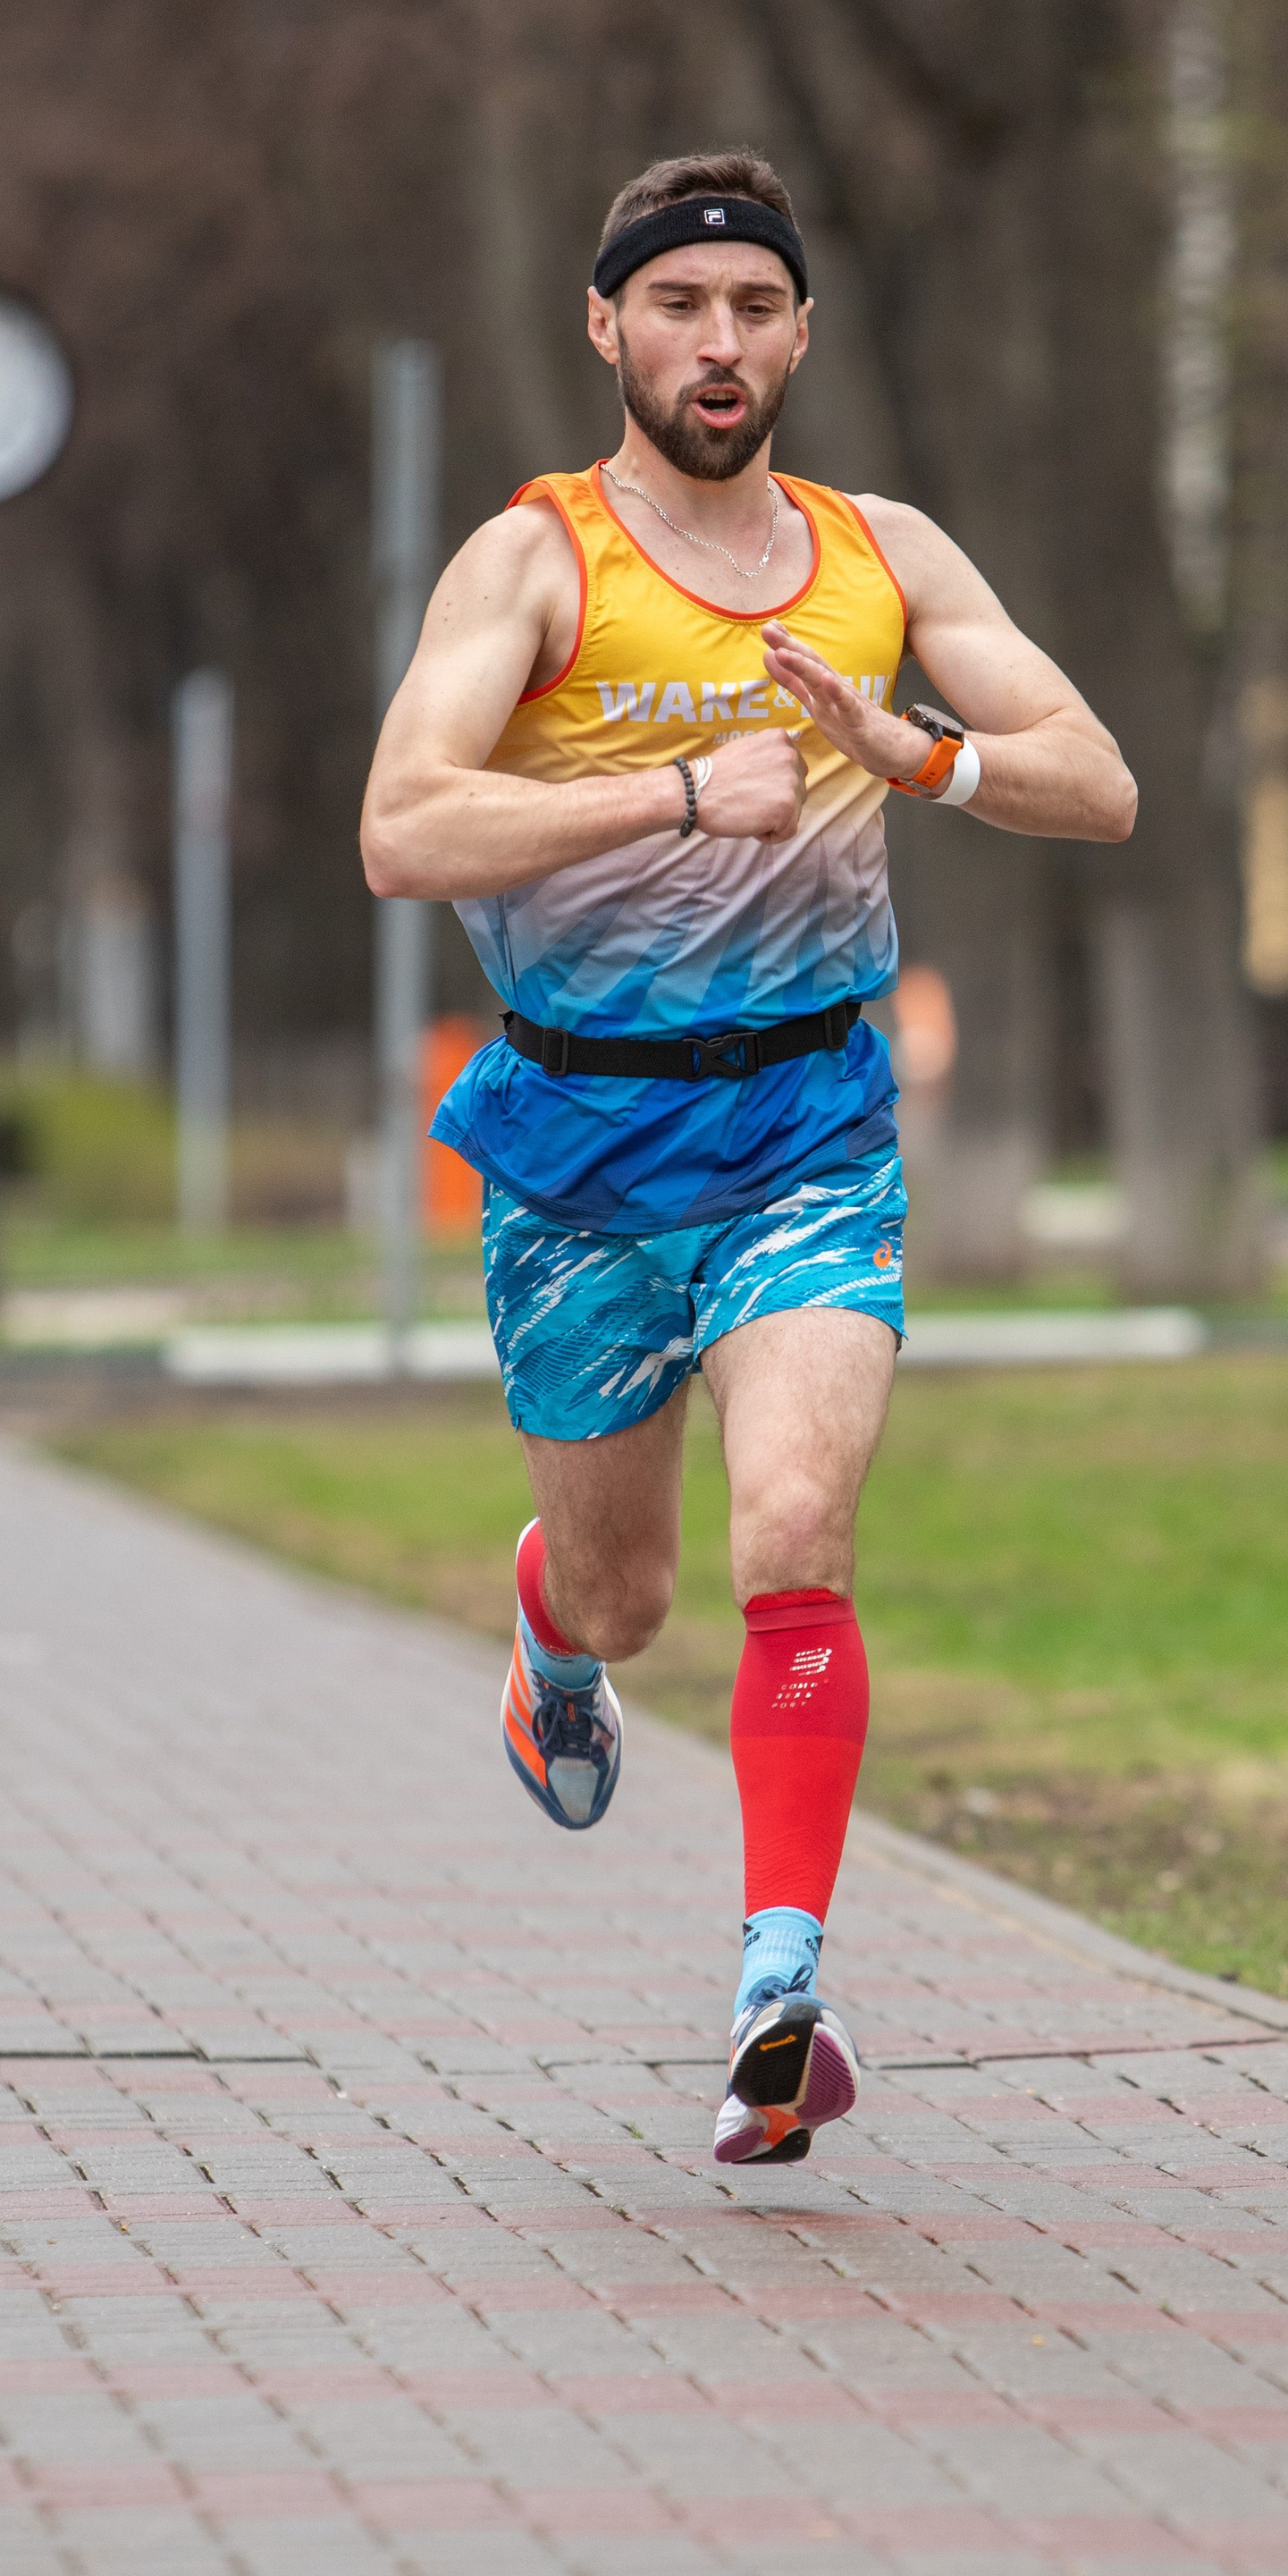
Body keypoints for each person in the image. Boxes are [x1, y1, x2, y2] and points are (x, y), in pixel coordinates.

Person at [361, 148, 1135, 2165]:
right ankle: (549, 1631)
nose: (719, 342)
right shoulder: (529, 563)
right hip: (580, 1147)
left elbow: (1097, 782)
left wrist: (918, 754)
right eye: (680, 306)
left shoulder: (879, 553)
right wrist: (663, 797)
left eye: (755, 308)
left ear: (800, 335)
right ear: (605, 327)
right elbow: (403, 829)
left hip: (808, 1123)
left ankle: (777, 1988)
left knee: (795, 1528)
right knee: (628, 1596)